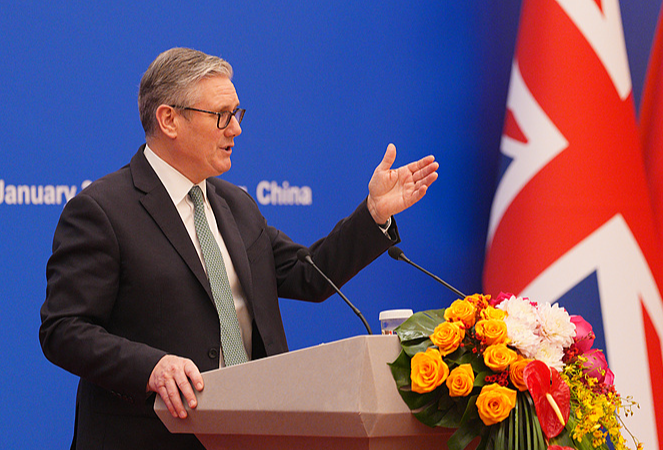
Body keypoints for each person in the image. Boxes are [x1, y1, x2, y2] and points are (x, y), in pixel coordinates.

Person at [39, 47, 438, 449]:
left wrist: (374, 215)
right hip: (149, 436)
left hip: (250, 435)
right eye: (221, 115)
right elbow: (64, 329)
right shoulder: (102, 210)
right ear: (168, 119)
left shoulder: (236, 205)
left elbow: (310, 275)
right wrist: (151, 368)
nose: (235, 129)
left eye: (236, 114)